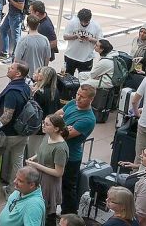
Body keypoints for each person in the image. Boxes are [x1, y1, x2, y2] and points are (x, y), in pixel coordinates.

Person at [56, 85, 97, 216]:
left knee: (68, 189)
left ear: (91, 99)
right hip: (58, 151)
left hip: (71, 157)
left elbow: (63, 134)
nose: (78, 98)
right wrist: (63, 125)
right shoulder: (73, 103)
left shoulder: (88, 119)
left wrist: (61, 126)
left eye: (82, 97)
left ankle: (69, 216)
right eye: (78, 94)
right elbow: (55, 117)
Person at [25, 113, 70, 226]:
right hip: (40, 177)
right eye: (43, 123)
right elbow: (43, 151)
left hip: (49, 182)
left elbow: (59, 172)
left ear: (56, 128)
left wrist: (36, 165)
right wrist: (34, 157)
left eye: (47, 124)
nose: (43, 125)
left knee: (46, 212)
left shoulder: (60, 148)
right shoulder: (48, 136)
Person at [0, 61, 32, 197]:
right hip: (23, 132)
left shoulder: (12, 92)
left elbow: (7, 116)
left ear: (18, 73)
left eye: (11, 68)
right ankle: (13, 190)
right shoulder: (26, 87)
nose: (8, 68)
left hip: (10, 133)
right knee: (17, 161)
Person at [62, 8, 102, 75]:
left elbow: (101, 41)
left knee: (84, 80)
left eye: (86, 22)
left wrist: (90, 39)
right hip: (70, 56)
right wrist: (75, 36)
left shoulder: (96, 26)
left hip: (86, 58)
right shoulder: (72, 22)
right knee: (67, 78)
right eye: (81, 22)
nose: (83, 24)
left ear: (90, 19)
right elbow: (65, 37)